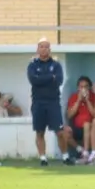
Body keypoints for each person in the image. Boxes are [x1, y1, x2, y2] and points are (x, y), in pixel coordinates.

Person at [28, 38, 72, 166]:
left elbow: (58, 80)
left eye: (46, 47)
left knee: (59, 132)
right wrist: (49, 77)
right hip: (38, 102)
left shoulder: (56, 65)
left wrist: (42, 78)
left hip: (53, 102)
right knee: (40, 131)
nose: (44, 49)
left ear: (50, 49)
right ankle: (43, 158)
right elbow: (33, 80)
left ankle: (65, 157)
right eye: (41, 46)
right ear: (37, 49)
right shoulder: (33, 65)